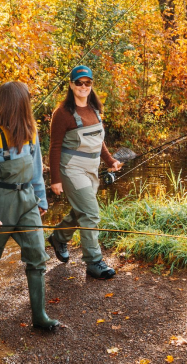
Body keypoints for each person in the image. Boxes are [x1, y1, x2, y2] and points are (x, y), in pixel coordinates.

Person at [0, 81, 60, 330]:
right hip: (2, 204)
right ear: (18, 105)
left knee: (37, 255)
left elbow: (36, 172)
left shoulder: (32, 133)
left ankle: (39, 316)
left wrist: (41, 199)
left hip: (27, 203)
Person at [48, 65, 123, 279]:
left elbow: (98, 141)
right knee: (90, 213)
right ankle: (94, 261)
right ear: (71, 84)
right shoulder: (61, 113)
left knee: (82, 210)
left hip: (92, 168)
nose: (83, 86)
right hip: (71, 169)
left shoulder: (95, 108)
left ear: (91, 85)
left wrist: (110, 160)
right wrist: (56, 180)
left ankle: (59, 237)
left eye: (87, 83)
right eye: (78, 82)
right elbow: (54, 147)